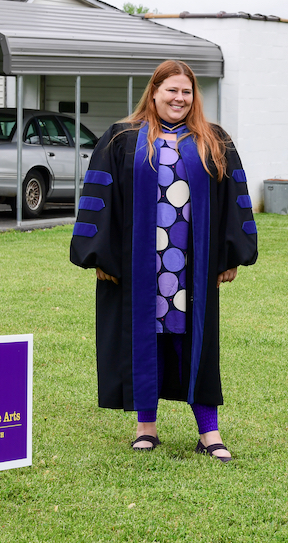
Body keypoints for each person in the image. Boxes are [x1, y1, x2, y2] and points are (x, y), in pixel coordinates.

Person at [70, 60, 258, 462]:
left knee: (198, 344)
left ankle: (209, 432)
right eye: (171, 90)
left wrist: (232, 254)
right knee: (145, 339)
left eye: (186, 92)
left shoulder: (214, 139)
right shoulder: (122, 138)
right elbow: (99, 196)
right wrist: (98, 254)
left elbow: (233, 201)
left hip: (194, 264)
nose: (179, 98)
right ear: (153, 92)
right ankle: (146, 428)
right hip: (139, 264)